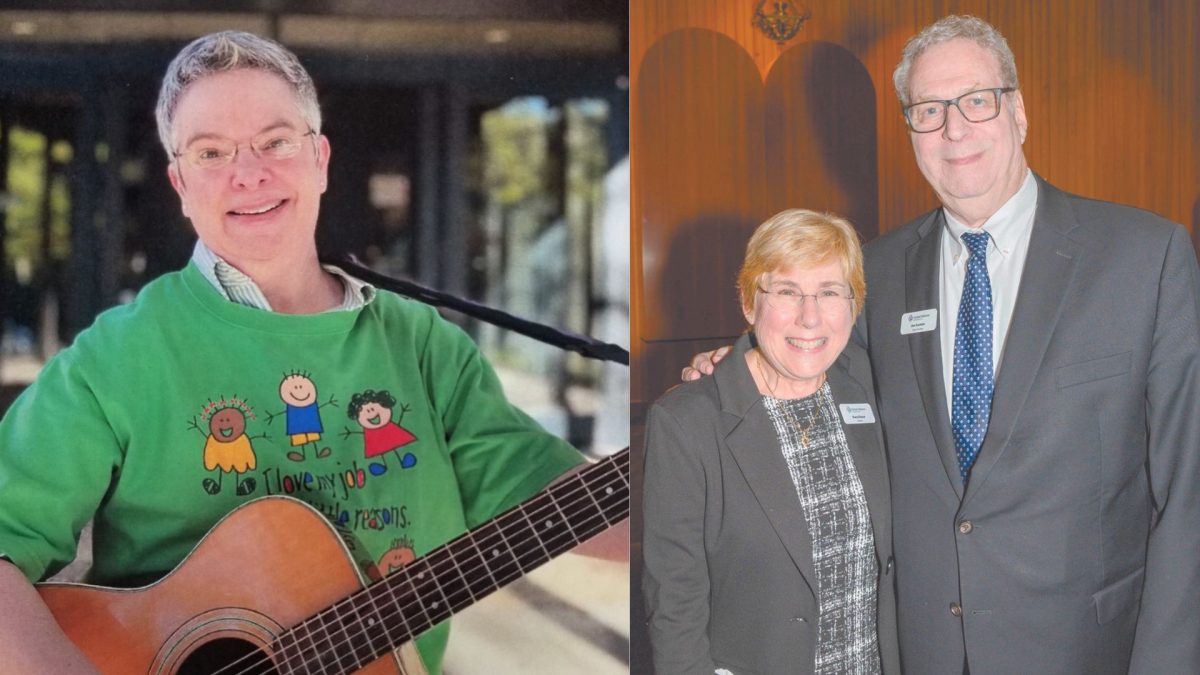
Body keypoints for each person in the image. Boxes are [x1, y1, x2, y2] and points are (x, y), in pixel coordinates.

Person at [0, 31, 624, 674]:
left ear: (321, 160)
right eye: (211, 152)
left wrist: (715, 476)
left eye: (276, 142)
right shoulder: (117, 358)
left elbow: (571, 504)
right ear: (180, 184)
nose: (249, 173)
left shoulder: (423, 347)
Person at [682, 15, 1200, 674]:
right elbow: (809, 356)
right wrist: (735, 361)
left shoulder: (1144, 256)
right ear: (911, 132)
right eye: (929, 110)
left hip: (1087, 648)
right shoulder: (876, 271)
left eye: (975, 100)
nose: (954, 129)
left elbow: (1189, 490)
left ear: (1018, 111)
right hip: (921, 647)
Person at [644, 209, 900, 674]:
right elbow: (673, 603)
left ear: (854, 306)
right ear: (748, 303)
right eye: (786, 292)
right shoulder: (686, 423)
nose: (809, 316)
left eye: (829, 292)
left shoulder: (870, 386)